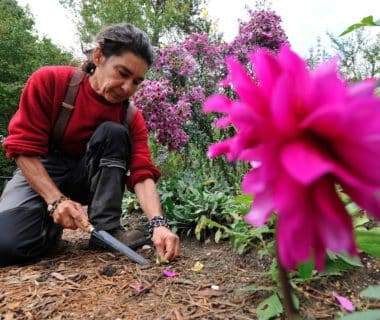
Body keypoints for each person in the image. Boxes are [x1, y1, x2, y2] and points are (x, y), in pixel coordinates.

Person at [0, 23, 180, 267]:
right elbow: (22, 148)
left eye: (137, 81)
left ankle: (106, 232)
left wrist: (159, 225)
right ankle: (47, 226)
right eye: (122, 73)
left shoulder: (130, 117)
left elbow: (142, 173)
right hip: (42, 171)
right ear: (98, 57)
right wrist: (55, 201)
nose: (128, 88)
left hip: (90, 177)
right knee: (7, 245)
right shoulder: (51, 81)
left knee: (114, 133)